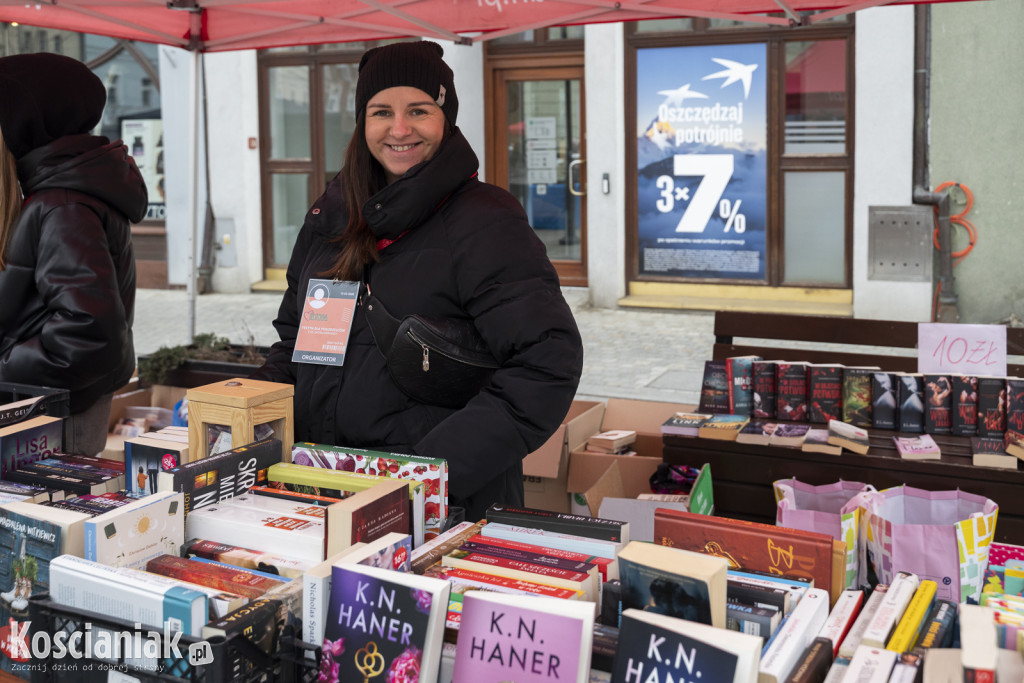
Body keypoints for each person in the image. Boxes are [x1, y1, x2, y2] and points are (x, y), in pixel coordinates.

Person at [251, 41, 583, 522]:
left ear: (445, 118)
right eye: (381, 111)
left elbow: (546, 363)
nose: (399, 129)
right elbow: (297, 343)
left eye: (419, 110)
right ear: (363, 123)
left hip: (443, 508)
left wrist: (425, 478)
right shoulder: (331, 218)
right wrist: (243, 410)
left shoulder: (484, 221)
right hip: (326, 491)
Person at [0, 53, 145, 455]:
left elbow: (89, 335)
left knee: (44, 516)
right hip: (52, 407)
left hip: (56, 417)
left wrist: (5, 366)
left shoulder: (63, 205)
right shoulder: (56, 193)